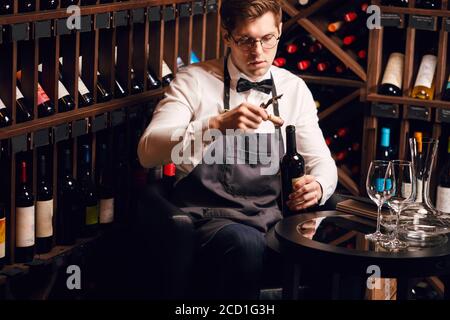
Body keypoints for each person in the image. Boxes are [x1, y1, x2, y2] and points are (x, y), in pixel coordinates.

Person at [138, 0, 337, 300]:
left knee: (335, 254)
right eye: (245, 40)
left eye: (267, 39)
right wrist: (214, 125)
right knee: (244, 242)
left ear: (280, 31)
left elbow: (322, 161)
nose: (258, 52)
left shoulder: (293, 89)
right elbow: (147, 151)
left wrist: (318, 186)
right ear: (227, 36)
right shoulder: (193, 81)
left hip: (271, 220)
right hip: (207, 220)